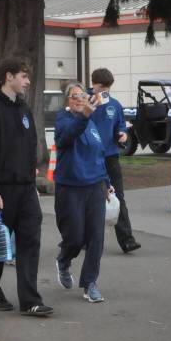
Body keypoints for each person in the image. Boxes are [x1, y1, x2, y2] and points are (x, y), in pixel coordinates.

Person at [0, 57, 53, 316]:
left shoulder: (23, 108)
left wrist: (32, 171)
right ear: (9, 76)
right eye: (24, 76)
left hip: (26, 189)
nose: (27, 81)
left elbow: (30, 143)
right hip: (1, 190)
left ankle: (30, 300)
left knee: (30, 240)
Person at [54, 82, 115, 304]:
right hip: (70, 187)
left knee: (96, 237)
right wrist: (84, 117)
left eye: (82, 95)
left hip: (95, 185)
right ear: (67, 101)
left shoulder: (91, 123)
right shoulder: (64, 119)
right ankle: (64, 259)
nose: (79, 98)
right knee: (75, 237)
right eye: (74, 96)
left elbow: (99, 154)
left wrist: (107, 182)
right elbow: (66, 137)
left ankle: (90, 283)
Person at [89, 68, 140, 253]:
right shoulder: (85, 102)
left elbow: (121, 125)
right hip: (91, 158)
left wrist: (123, 135)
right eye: (100, 87)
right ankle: (87, 240)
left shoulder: (115, 105)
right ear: (93, 84)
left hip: (110, 157)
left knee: (118, 197)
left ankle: (127, 239)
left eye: (107, 88)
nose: (104, 91)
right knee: (90, 199)